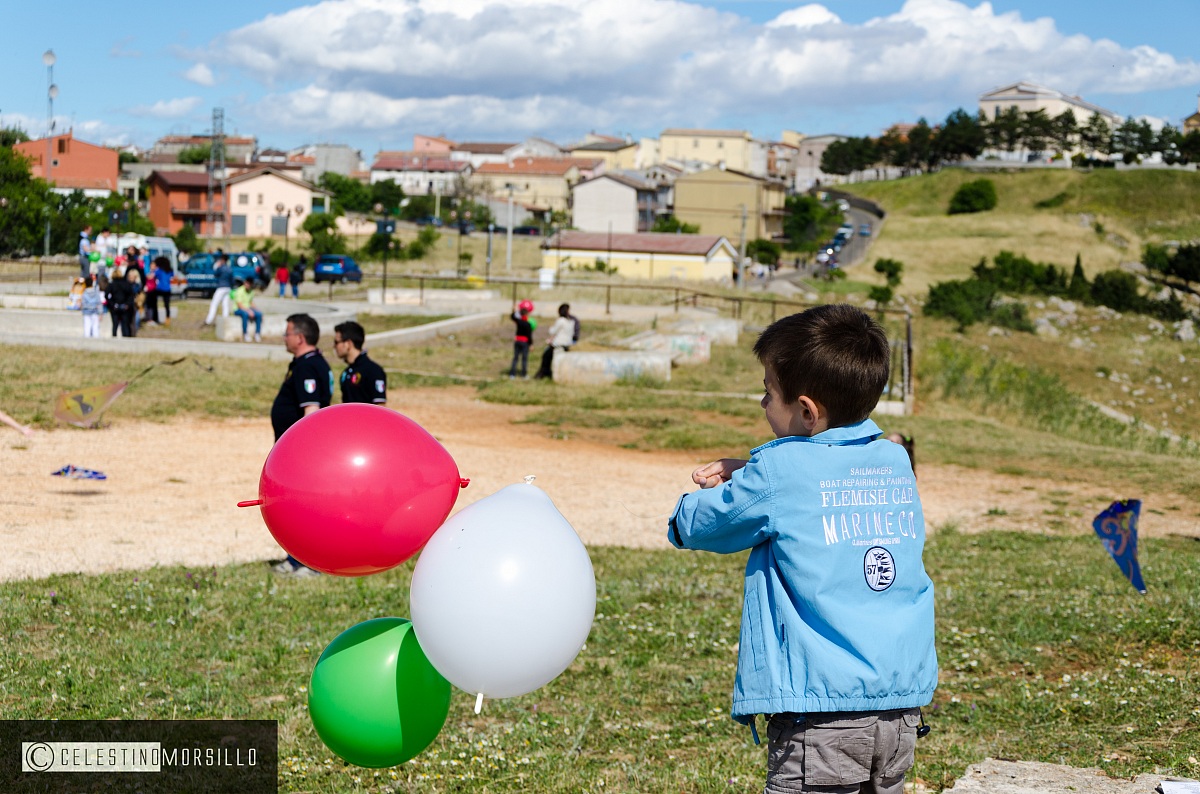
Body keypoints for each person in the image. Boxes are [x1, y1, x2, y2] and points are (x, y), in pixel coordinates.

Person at [667, 304, 936, 794]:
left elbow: (694, 526)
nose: (762, 403)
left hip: (821, 723)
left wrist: (719, 486)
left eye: (768, 393)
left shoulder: (778, 473)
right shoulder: (896, 460)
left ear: (807, 411)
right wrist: (751, 468)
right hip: (898, 714)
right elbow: (819, 479)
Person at [270, 314, 333, 577]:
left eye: (287, 333)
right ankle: (295, 558)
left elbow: (312, 410)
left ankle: (308, 561)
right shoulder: (308, 362)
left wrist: (301, 451)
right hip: (297, 451)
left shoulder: (307, 366)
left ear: (300, 337)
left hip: (301, 454)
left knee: (301, 506)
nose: (284, 338)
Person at [333, 321, 386, 405]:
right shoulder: (347, 373)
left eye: (336, 342)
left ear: (348, 344)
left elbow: (381, 406)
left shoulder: (373, 371)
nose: (334, 346)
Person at [533, 303, 577, 380]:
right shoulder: (570, 322)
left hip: (558, 344)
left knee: (546, 356)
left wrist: (551, 327)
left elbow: (552, 331)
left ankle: (544, 373)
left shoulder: (560, 321)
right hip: (567, 344)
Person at [203, 253, 233, 326]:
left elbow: (215, 274)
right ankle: (225, 320)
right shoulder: (229, 269)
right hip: (228, 287)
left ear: (222, 260)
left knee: (214, 304)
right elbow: (232, 280)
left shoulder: (221, 268)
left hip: (221, 287)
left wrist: (217, 266)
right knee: (225, 305)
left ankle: (208, 320)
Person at [104, 267, 135, 337]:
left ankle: (114, 338)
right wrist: (127, 304)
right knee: (125, 325)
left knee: (115, 325)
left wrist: (112, 304)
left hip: (115, 307)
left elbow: (106, 295)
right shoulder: (126, 284)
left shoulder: (111, 284)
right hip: (125, 306)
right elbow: (131, 295)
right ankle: (126, 338)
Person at [508, 299, 535, 378]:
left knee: (515, 358)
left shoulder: (519, 322)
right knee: (524, 359)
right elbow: (529, 336)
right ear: (527, 314)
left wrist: (514, 310)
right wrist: (531, 344)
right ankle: (524, 374)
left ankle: (512, 374)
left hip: (517, 341)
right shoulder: (528, 324)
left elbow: (512, 316)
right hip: (525, 342)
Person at [151, 256, 173, 327]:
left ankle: (155, 318)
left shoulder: (159, 270)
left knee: (154, 303)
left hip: (159, 288)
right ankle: (168, 319)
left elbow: (151, 276)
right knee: (167, 305)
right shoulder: (169, 270)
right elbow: (172, 277)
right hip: (167, 289)